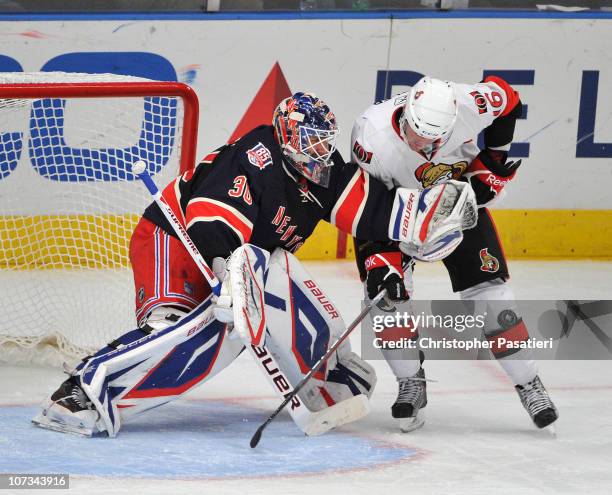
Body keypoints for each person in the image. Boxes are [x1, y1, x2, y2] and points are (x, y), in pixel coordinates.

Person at [33, 91, 475, 437]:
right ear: (286, 137)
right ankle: (83, 392)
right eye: (311, 143)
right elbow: (210, 216)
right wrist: (227, 275)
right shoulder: (256, 154)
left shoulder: (323, 170)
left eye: (326, 143)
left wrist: (421, 219)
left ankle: (328, 377)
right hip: (173, 242)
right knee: (177, 331)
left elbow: (370, 211)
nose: (321, 153)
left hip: (239, 262)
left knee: (245, 306)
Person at [350, 76, 558, 432]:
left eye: (437, 139)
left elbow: (508, 99)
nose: (427, 146)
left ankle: (529, 382)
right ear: (405, 118)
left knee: (493, 299)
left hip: (457, 198)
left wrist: (493, 159)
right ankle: (410, 382)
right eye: (418, 137)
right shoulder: (370, 135)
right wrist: (380, 261)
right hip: (393, 211)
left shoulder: (469, 103)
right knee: (385, 303)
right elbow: (364, 202)